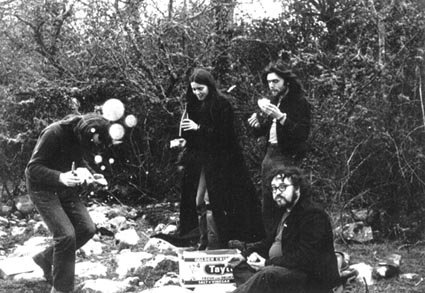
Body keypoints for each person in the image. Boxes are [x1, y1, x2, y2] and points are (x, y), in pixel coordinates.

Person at [176, 67, 264, 249]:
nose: (197, 93)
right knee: (199, 201)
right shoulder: (194, 104)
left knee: (214, 202)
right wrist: (185, 139)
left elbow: (225, 136)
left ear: (209, 85)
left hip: (225, 164)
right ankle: (204, 240)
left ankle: (215, 243)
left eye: (200, 89)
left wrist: (198, 128)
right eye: (194, 89)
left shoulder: (222, 104)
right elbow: (195, 138)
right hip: (204, 162)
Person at [25, 113, 111, 293]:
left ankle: (46, 258)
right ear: (88, 132)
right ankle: (62, 289)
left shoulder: (81, 136)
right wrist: (61, 177)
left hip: (64, 188)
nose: (95, 145)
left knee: (87, 229)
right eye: (95, 141)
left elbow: (78, 161)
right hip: (42, 188)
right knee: (66, 235)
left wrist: (90, 175)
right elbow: (32, 169)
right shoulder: (53, 133)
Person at [230, 166, 340, 293]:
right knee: (241, 266)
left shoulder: (313, 215)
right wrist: (244, 255)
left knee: (267, 275)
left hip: (309, 279)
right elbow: (269, 242)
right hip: (282, 270)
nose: (277, 192)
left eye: (282, 187)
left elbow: (305, 259)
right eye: (274, 188)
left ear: (297, 188)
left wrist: (267, 263)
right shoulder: (284, 211)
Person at [248, 59, 311, 238]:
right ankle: (270, 245)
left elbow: (302, 133)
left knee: (286, 201)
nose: (272, 86)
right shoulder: (275, 100)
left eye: (276, 81)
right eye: (269, 82)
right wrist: (256, 123)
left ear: (286, 81)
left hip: (287, 157)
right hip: (270, 155)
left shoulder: (299, 102)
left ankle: (288, 243)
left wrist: (281, 117)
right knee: (268, 203)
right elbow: (263, 131)